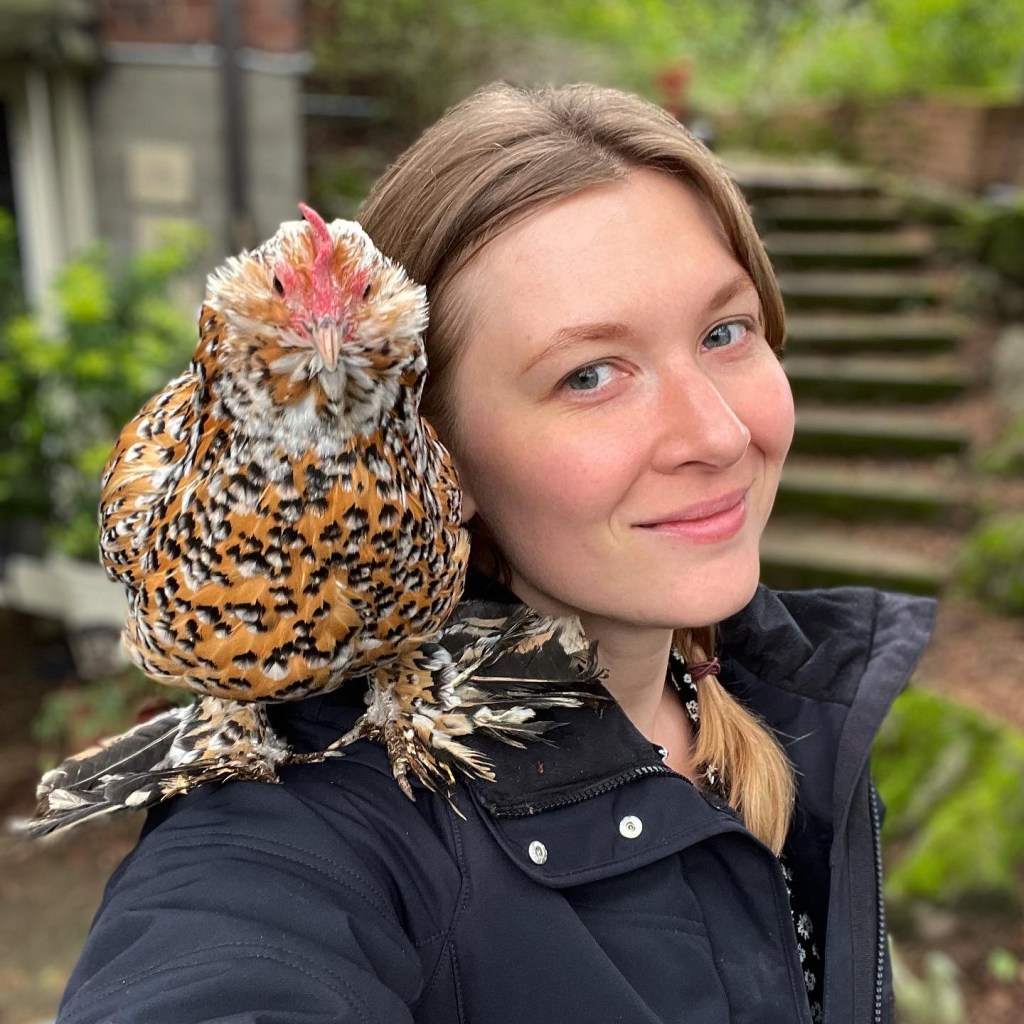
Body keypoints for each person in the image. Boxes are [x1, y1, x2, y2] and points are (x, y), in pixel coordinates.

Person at [56, 83, 935, 1024]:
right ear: (438, 454)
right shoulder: (320, 823)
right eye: (589, 375)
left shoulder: (787, 697)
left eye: (726, 332)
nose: (717, 436)